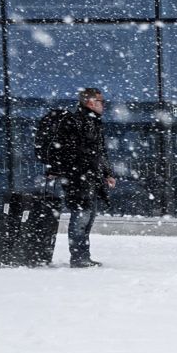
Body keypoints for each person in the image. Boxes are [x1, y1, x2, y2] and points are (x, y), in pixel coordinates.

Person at [43, 87, 115, 268]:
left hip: (89, 176)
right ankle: (78, 257)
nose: (103, 105)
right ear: (90, 102)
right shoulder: (74, 121)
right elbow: (60, 148)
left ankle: (83, 255)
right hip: (77, 177)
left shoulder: (94, 123)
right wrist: (59, 169)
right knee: (81, 216)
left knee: (88, 216)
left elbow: (100, 152)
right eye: (101, 101)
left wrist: (107, 173)